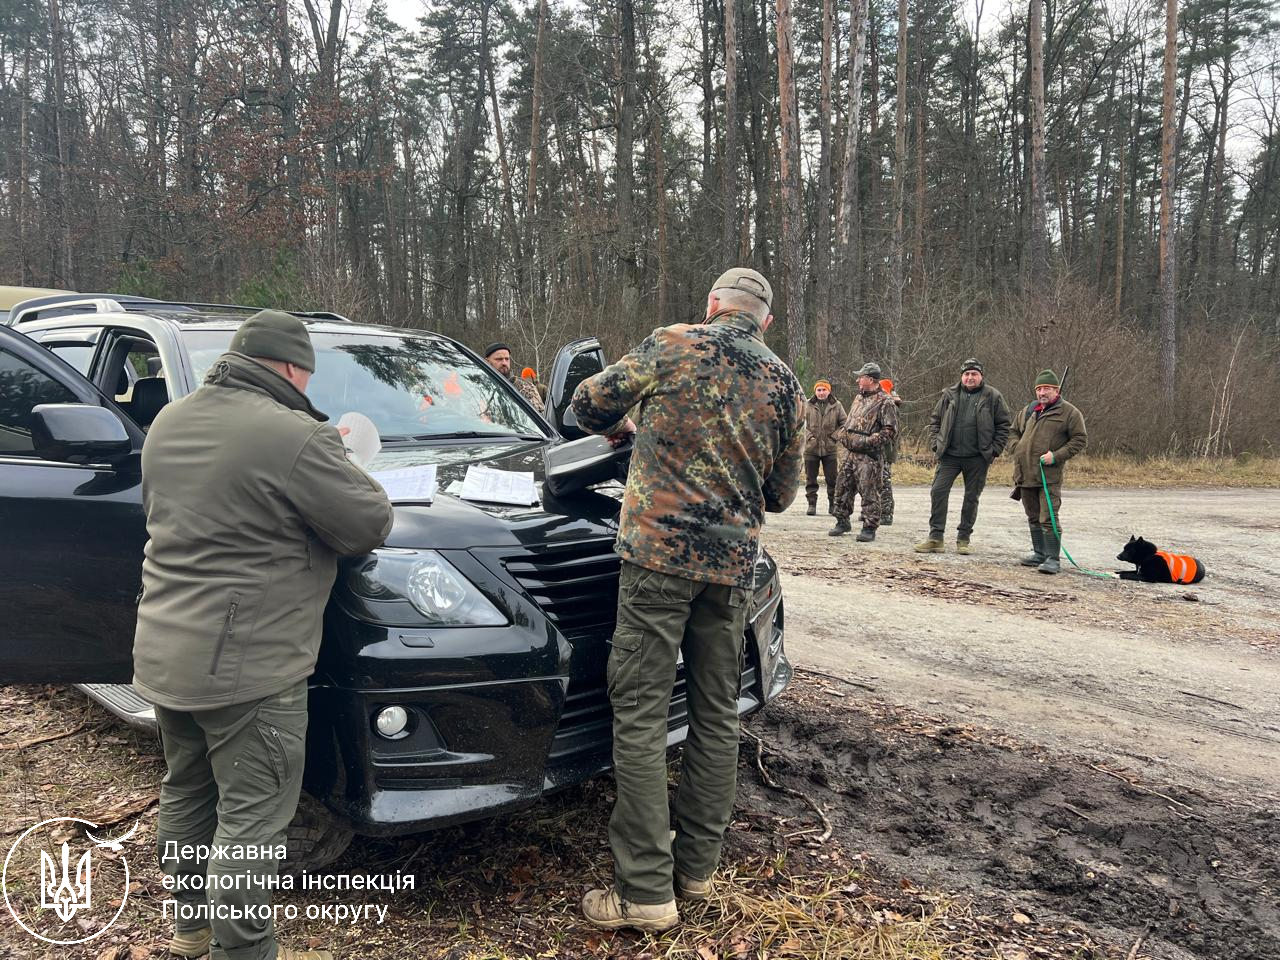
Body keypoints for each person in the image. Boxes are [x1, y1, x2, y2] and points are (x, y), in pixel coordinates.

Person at [132, 310, 394, 960]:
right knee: (251, 822)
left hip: (165, 649)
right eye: (305, 373)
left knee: (187, 789)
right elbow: (367, 522)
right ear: (288, 368)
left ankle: (191, 929)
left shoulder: (169, 421)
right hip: (248, 665)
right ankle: (243, 952)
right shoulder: (294, 435)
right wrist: (342, 458)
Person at [570, 267, 804, 933]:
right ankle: (697, 871)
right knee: (716, 713)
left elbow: (587, 404)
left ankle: (645, 889)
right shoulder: (786, 383)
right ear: (765, 321)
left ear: (712, 305)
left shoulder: (672, 343)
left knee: (641, 713)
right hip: (731, 568)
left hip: (657, 559)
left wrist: (631, 427)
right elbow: (782, 494)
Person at [914, 359, 1011, 555]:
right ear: (961, 376)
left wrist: (994, 450)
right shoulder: (949, 395)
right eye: (966, 374)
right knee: (938, 491)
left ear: (981, 376)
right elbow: (935, 421)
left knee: (971, 498)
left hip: (977, 457)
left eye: (974, 374)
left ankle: (963, 539)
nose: (970, 377)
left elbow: (1004, 425)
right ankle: (935, 538)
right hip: (949, 456)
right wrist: (936, 443)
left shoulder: (993, 396)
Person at [1007, 369, 1087, 574]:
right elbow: (1012, 432)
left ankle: (1053, 559)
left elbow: (1079, 440)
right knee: (1033, 516)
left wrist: (1057, 456)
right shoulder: (1029, 410)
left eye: (1047, 389)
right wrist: (1016, 447)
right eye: (1039, 389)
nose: (1042, 392)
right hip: (1025, 473)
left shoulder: (1070, 413)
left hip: (1048, 477)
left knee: (1048, 518)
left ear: (1056, 390)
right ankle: (1039, 554)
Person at [828, 362, 898, 542]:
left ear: (871, 379)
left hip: (869, 456)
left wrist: (867, 442)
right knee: (842, 488)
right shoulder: (859, 397)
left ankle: (869, 527)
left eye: (861, 377)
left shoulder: (885, 402)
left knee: (869, 492)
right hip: (850, 453)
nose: (858, 380)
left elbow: (890, 431)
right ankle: (842, 521)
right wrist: (842, 435)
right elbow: (849, 421)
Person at [803, 379, 847, 516]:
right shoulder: (807, 404)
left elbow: (845, 424)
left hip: (830, 449)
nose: (821, 392)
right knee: (811, 479)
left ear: (829, 391)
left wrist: (834, 437)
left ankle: (833, 505)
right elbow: (800, 423)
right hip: (811, 449)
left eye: (824, 390)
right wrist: (809, 437)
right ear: (815, 391)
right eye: (819, 390)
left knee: (832, 479)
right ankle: (811, 504)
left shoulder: (837, 405)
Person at [482, 341, 545, 413]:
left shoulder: (526, 387)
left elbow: (540, 414)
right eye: (499, 359)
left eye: (507, 359)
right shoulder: (479, 387)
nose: (504, 363)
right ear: (487, 361)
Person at [878, 378, 902, 525]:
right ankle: (877, 511)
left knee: (884, 482)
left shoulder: (891, 407)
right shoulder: (884, 404)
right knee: (876, 481)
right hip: (880, 449)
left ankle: (886, 514)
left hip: (886, 450)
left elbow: (892, 432)